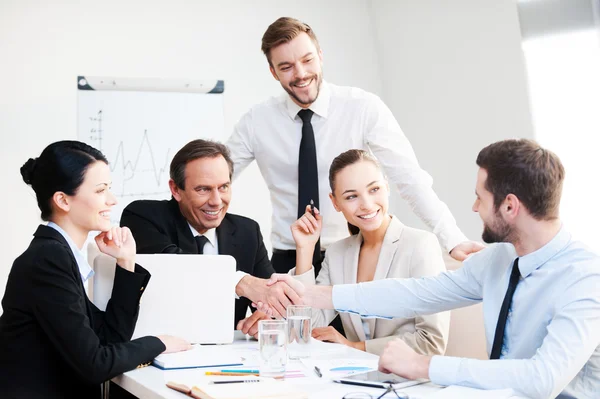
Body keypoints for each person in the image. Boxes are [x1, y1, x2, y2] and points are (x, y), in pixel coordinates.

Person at [261, 139, 600, 399]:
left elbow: (542, 380)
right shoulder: (497, 259)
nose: (474, 207)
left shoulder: (586, 279)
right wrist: (313, 294)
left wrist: (424, 365)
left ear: (509, 206)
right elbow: (416, 293)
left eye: (480, 198)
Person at [226, 17, 484, 276]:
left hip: (354, 255)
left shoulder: (362, 107)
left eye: (307, 60)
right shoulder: (256, 121)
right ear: (273, 72)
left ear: (320, 55)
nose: (301, 74)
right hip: (287, 258)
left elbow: (409, 179)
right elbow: (213, 179)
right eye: (287, 67)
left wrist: (453, 239)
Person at [0, 141, 191, 399]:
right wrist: (159, 343)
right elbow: (94, 364)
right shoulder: (48, 260)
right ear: (63, 200)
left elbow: (109, 339)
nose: (112, 201)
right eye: (101, 190)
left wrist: (125, 262)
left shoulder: (58, 254)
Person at [120, 139, 299, 335]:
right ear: (175, 190)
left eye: (223, 187)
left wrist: (266, 319)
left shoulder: (247, 231)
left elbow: (267, 294)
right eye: (203, 189)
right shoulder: (142, 216)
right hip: (162, 348)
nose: (216, 201)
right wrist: (241, 282)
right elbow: (175, 265)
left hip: (227, 354)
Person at [289, 149, 449, 355]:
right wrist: (305, 248)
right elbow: (308, 329)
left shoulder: (420, 245)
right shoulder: (337, 253)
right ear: (335, 202)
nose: (366, 204)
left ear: (386, 187)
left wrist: (355, 347)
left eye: (374, 189)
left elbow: (431, 343)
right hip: (352, 380)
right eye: (351, 196)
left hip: (408, 381)